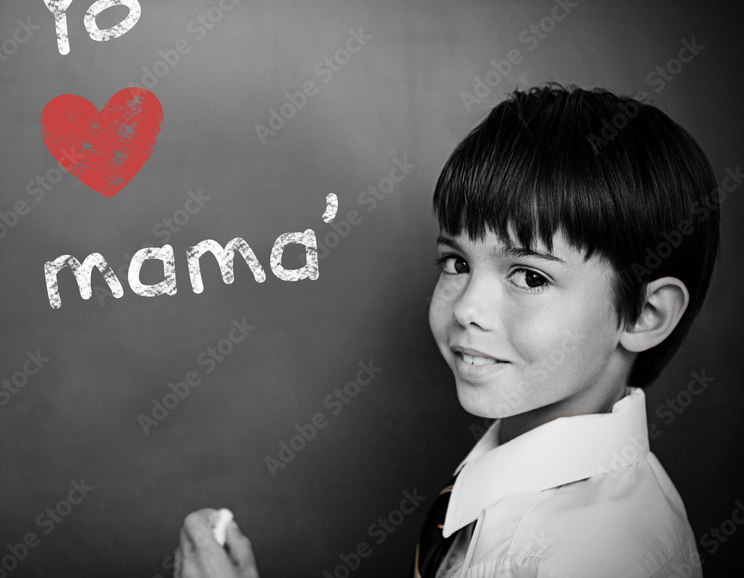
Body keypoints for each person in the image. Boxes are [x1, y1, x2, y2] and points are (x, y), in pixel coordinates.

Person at [174, 84, 719, 577]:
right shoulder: (518, 480)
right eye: (457, 263)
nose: (467, 309)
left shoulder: (589, 555)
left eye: (530, 276)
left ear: (645, 315)